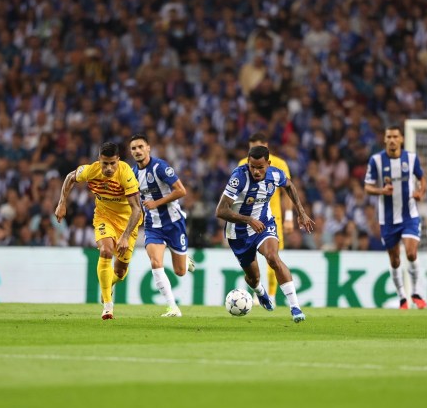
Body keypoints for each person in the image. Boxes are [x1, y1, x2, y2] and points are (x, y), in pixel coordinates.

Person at [216, 145, 315, 323]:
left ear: (268, 164)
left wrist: (301, 212)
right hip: (239, 232)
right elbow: (221, 211)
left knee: (272, 258)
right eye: (252, 166)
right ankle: (260, 292)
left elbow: (289, 185)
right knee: (253, 277)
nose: (256, 171)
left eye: (260, 167)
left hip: (264, 224)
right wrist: (248, 220)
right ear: (248, 162)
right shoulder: (239, 178)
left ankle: (295, 307)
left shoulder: (275, 174)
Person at [55, 142, 142, 320]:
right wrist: (62, 203)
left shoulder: (126, 174)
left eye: (112, 163)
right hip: (104, 217)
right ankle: (108, 306)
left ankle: (108, 285)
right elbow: (70, 177)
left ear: (118, 160)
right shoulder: (90, 170)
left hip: (127, 223)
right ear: (99, 160)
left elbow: (137, 209)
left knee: (120, 272)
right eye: (105, 163)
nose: (109, 168)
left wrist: (125, 236)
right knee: (106, 251)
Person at [130, 133, 195, 317]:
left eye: (140, 147)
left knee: (180, 271)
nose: (137, 151)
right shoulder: (133, 174)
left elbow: (181, 190)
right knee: (155, 262)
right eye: (133, 148)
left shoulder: (160, 167)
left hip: (173, 223)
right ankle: (172, 307)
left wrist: (156, 203)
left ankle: (185, 260)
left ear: (148, 148)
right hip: (153, 225)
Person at [364, 125, 427, 310]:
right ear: (385, 140)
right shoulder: (376, 160)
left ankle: (416, 292)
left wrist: (420, 192)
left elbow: (422, 177)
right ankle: (402, 297)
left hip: (409, 215)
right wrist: (381, 191)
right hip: (388, 219)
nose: (392, 140)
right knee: (395, 260)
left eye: (395, 137)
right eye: (389, 137)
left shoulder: (411, 158)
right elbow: (367, 186)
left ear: (401, 139)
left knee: (411, 253)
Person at [238, 132, 294, 307]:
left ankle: (271, 295)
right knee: (250, 260)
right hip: (249, 220)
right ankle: (259, 291)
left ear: (266, 145)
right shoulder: (243, 164)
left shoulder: (279, 164)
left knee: (272, 257)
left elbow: (287, 191)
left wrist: (289, 217)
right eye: (251, 148)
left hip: (272, 218)